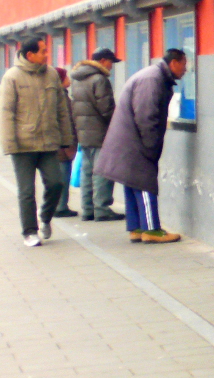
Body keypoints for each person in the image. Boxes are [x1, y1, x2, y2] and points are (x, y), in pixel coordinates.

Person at [94, 49, 187, 244]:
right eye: (184, 64)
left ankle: (136, 228)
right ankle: (151, 229)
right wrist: (150, 146)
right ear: (174, 63)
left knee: (132, 182)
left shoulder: (154, 76)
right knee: (144, 183)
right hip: (135, 140)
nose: (185, 69)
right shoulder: (153, 79)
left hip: (127, 138)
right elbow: (146, 115)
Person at [0, 37, 76, 247]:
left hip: (48, 142)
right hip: (23, 145)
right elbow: (6, 113)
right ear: (30, 55)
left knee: (56, 183)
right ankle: (30, 231)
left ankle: (45, 217)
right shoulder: (12, 77)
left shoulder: (51, 74)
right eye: (43, 51)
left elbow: (61, 109)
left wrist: (66, 138)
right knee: (26, 191)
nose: (47, 54)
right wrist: (9, 144)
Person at [70, 48, 124, 222]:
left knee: (87, 171)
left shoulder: (77, 78)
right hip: (100, 133)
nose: (111, 66)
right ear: (102, 61)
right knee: (102, 171)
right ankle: (101, 209)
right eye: (110, 62)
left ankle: (88, 209)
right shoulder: (100, 79)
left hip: (83, 133)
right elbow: (106, 108)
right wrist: (118, 125)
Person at [53, 67, 80, 218]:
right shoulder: (61, 97)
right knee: (63, 175)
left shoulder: (57, 95)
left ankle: (59, 205)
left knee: (59, 175)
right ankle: (60, 206)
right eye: (66, 76)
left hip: (59, 143)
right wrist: (69, 143)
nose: (69, 79)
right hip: (63, 144)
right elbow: (67, 120)